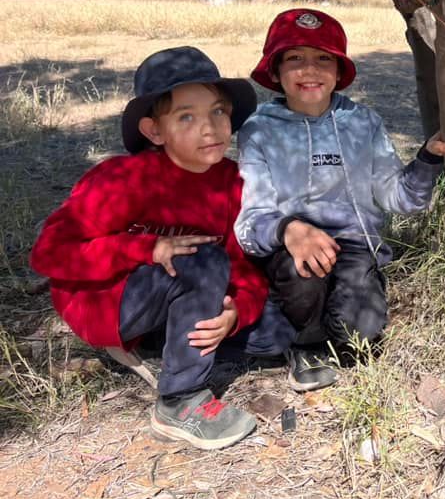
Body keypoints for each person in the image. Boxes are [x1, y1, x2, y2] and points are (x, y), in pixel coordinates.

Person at [30, 47, 299, 450]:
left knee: (276, 330)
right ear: (155, 131)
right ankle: (179, 400)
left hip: (183, 289)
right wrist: (144, 248)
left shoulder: (232, 183)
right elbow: (49, 253)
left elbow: (241, 262)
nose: (209, 128)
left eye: (219, 112)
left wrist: (236, 311)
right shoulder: (120, 179)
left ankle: (169, 340)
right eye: (186, 117)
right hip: (110, 300)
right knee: (200, 258)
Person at [235, 9, 445, 390]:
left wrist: (428, 158)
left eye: (323, 59)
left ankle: (317, 318)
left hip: (355, 246)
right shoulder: (259, 130)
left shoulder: (363, 122)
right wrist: (289, 230)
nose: (310, 70)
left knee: (362, 340)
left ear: (339, 72)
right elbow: (251, 220)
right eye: (295, 59)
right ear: (275, 72)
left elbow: (400, 197)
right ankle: (304, 342)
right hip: (290, 247)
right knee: (303, 274)